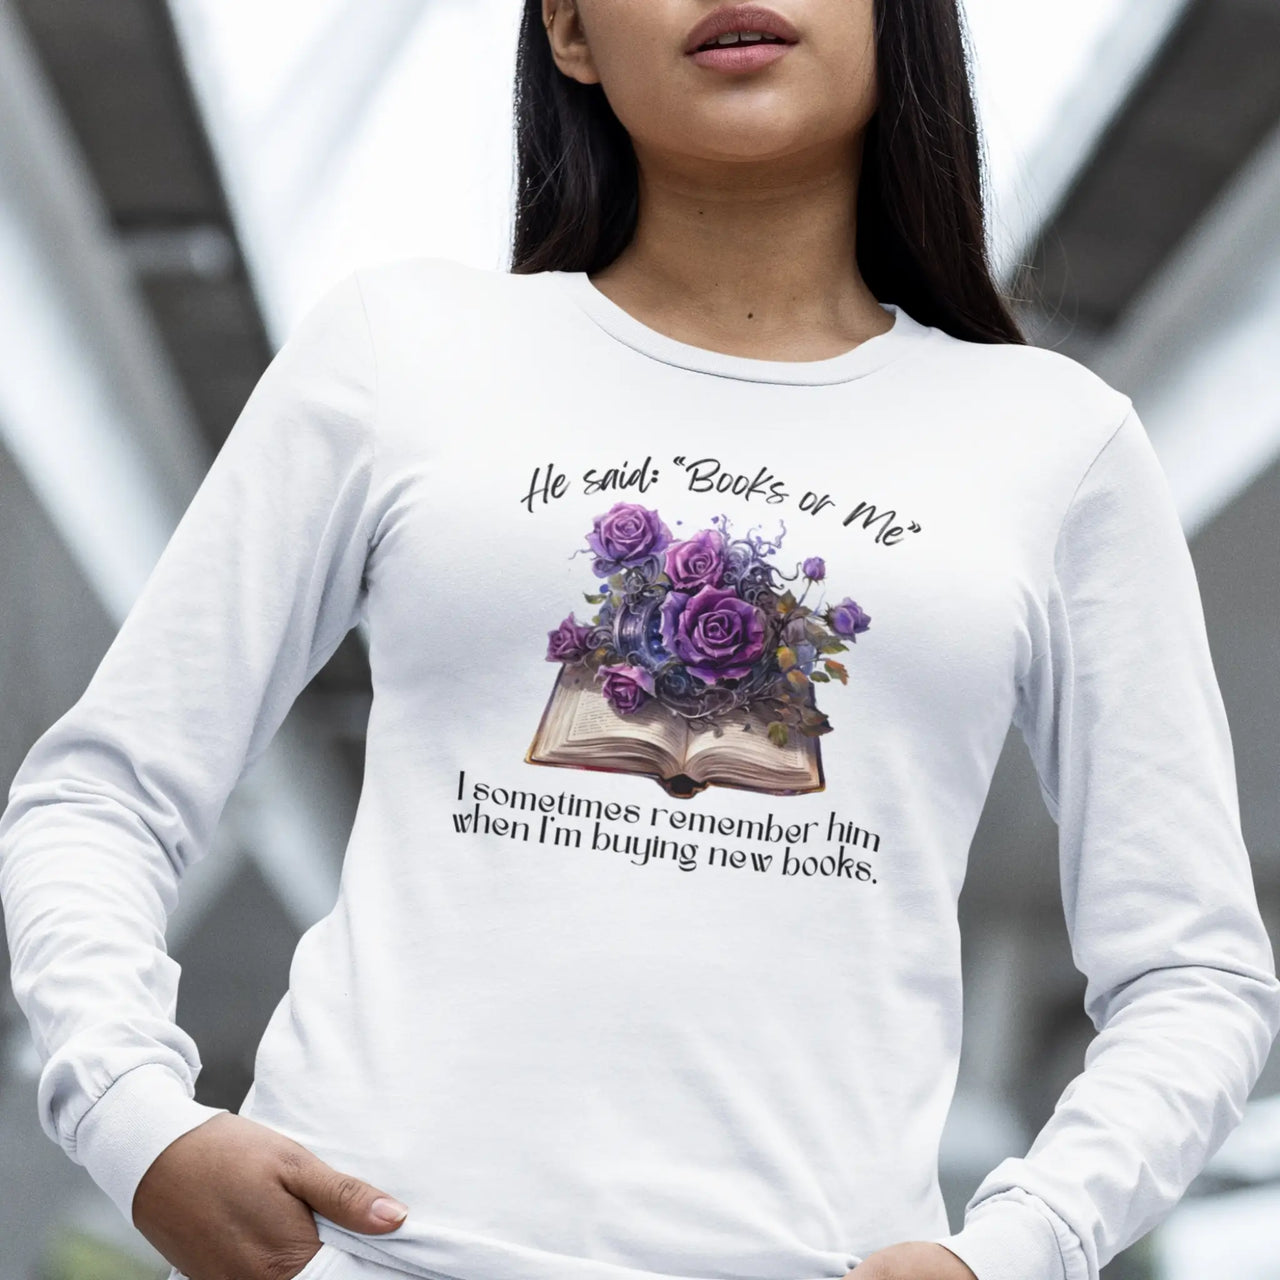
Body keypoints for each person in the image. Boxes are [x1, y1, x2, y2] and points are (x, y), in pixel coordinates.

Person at [2, 1, 1278, 1279]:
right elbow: (100, 790)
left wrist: (1013, 1248)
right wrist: (133, 1121)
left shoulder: (1057, 444)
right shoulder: (402, 350)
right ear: (567, 30)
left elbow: (1194, 969)